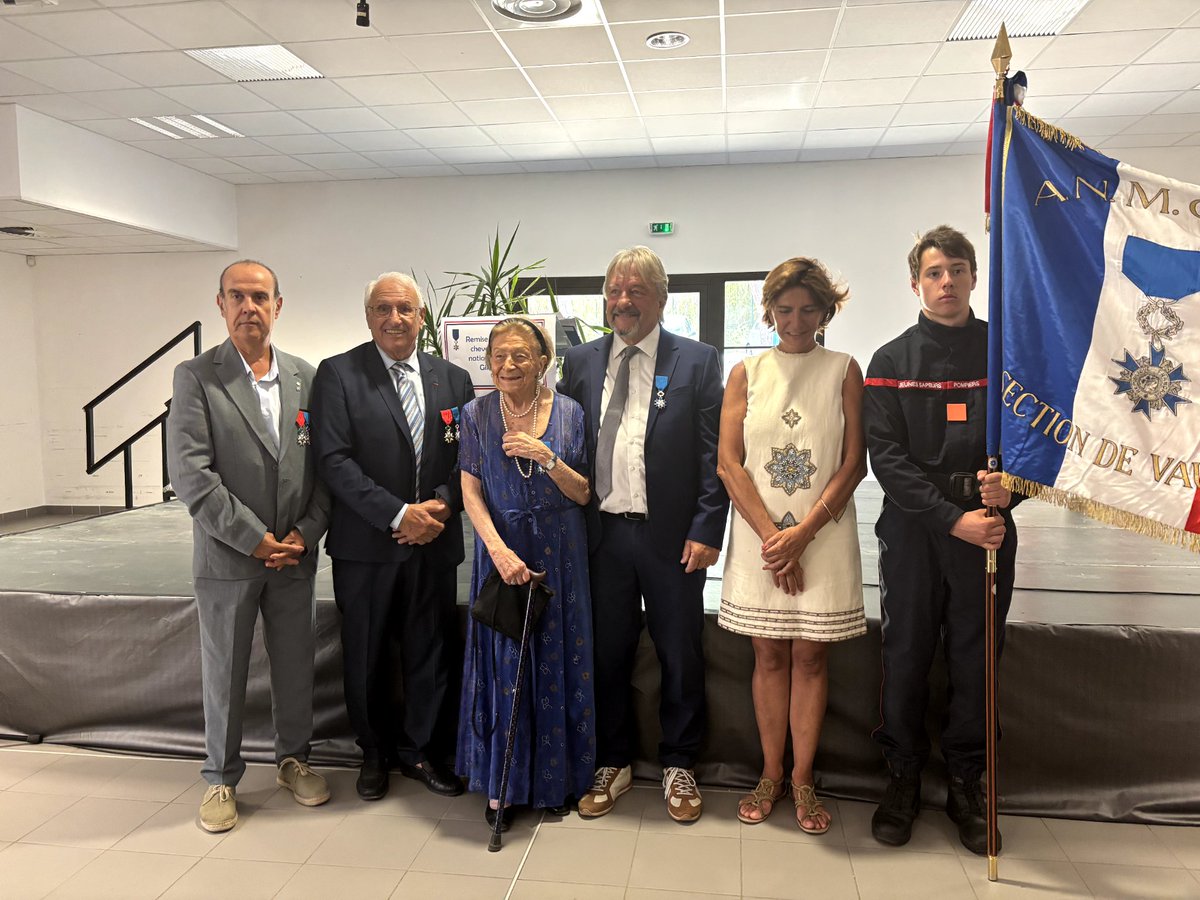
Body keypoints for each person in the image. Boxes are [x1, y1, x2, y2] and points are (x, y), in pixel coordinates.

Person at [558, 246, 729, 823]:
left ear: (660, 298)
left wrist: (708, 527)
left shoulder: (697, 361)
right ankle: (613, 759)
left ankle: (679, 761)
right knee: (606, 653)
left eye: (635, 291)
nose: (623, 301)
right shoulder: (580, 362)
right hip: (600, 537)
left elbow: (715, 456)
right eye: (614, 291)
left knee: (680, 651)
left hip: (673, 538)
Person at [863, 226, 1018, 855]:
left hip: (989, 529)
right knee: (905, 652)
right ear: (915, 283)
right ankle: (901, 777)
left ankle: (966, 781)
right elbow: (888, 460)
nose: (946, 281)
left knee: (977, 657)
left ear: (975, 277)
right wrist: (951, 519)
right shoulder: (890, 362)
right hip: (916, 529)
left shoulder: (1008, 356)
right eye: (934, 272)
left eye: (957, 269)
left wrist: (1015, 492)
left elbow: (1039, 444)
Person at [167, 259, 331, 834]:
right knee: (225, 670)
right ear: (220, 305)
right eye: (237, 296)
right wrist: (254, 540)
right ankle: (219, 779)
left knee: (294, 667)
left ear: (278, 306)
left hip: (294, 555)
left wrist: (305, 534)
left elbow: (325, 471)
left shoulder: (307, 378)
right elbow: (191, 475)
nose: (249, 307)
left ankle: (293, 760)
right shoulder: (195, 377)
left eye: (260, 297)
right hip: (229, 558)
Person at [716, 257, 867, 832]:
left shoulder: (844, 370)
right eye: (784, 309)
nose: (795, 321)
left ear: (826, 310)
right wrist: (773, 539)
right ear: (769, 311)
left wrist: (801, 536)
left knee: (809, 655)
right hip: (761, 536)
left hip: (821, 536)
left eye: (808, 309)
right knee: (769, 654)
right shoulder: (746, 373)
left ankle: (803, 780)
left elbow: (854, 463)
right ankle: (770, 772)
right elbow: (730, 463)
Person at [311, 272, 474, 802]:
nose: (395, 318)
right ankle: (374, 752)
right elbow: (332, 460)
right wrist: (398, 513)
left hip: (434, 542)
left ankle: (423, 751)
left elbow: (467, 459)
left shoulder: (453, 379)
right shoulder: (338, 375)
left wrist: (443, 505)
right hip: (368, 548)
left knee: (431, 651)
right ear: (369, 317)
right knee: (366, 654)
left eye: (405, 309)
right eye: (383, 308)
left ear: (422, 317)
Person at [455, 317, 594, 830]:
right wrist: (497, 552)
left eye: (520, 355)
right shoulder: (475, 414)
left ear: (543, 361)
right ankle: (504, 786)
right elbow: (470, 491)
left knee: (559, 657)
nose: (508, 365)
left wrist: (548, 456)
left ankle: (556, 781)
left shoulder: (572, 413)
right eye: (499, 355)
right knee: (504, 664)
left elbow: (582, 492)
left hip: (561, 549)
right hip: (503, 549)